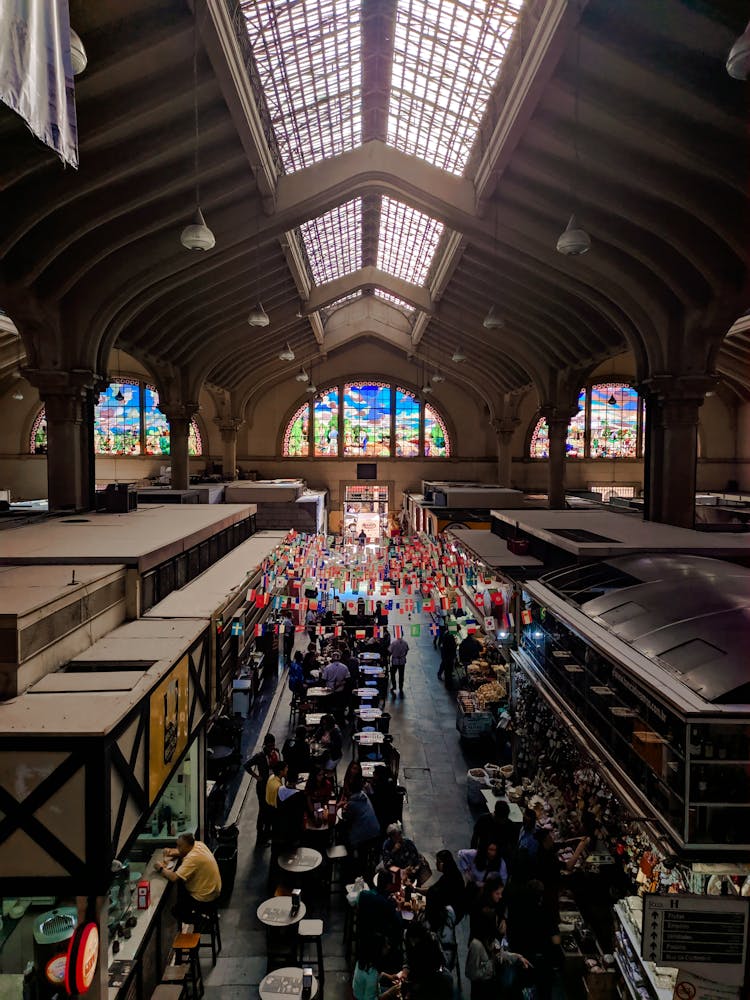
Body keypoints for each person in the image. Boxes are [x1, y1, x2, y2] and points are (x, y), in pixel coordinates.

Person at [156, 833, 221, 927]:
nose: (177, 848)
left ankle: (205, 921)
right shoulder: (198, 845)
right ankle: (208, 916)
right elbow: (181, 852)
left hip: (205, 897)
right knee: (182, 887)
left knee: (176, 911)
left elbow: (174, 877)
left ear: (188, 846)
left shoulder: (192, 859)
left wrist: (160, 868)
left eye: (180, 846)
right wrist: (170, 852)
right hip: (213, 890)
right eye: (177, 845)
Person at [466, 913, 531, 1000]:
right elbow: (471, 973)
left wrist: (518, 957)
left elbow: (501, 954)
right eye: (495, 923)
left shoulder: (493, 941)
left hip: (493, 987)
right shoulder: (476, 945)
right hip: (481, 990)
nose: (497, 926)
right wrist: (489, 966)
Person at [244, 733, 280, 843]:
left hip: (273, 785)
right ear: (265, 745)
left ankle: (268, 832)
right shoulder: (259, 756)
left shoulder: (276, 752)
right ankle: (260, 835)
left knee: (272, 808)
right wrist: (256, 776)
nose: (271, 748)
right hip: (263, 786)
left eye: (273, 745)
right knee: (263, 810)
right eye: (269, 746)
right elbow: (246, 765)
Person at [343, 775, 382, 872]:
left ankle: (352, 865)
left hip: (366, 835)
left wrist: (344, 808)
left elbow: (347, 818)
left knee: (345, 837)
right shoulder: (363, 795)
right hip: (376, 830)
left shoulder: (352, 803)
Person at [425, 849, 467, 928]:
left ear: (442, 864)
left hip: (449, 915)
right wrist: (415, 889)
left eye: (437, 861)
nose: (436, 863)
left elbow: (433, 892)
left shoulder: (450, 879)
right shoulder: (451, 873)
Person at [472, 800, 516, 866]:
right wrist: (473, 853)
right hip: (482, 853)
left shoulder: (509, 825)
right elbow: (475, 837)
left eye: (506, 818)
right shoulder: (483, 820)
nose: (504, 821)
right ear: (496, 815)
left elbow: (512, 844)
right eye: (503, 819)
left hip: (499, 857)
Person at [370, 765, 403, 834]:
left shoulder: (380, 788)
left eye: (374, 773)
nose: (373, 774)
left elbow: (375, 802)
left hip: (384, 817)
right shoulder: (388, 784)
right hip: (391, 815)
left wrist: (370, 790)